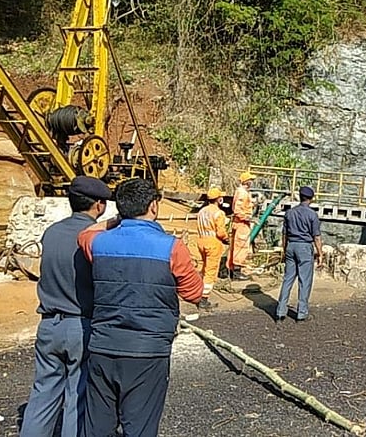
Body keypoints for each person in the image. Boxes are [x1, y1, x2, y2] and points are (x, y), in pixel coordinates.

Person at [77, 178, 203, 437]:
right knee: (140, 427)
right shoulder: (172, 248)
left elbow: (84, 234)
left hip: (103, 346)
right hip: (148, 350)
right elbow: (194, 292)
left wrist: (116, 222)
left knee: (97, 428)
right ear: (154, 206)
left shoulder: (98, 243)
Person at [20, 176, 111, 437]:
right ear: (99, 205)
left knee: (42, 395)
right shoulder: (95, 238)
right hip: (79, 325)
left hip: (48, 324)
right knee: (76, 397)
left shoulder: (52, 232)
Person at [277, 186, 323, 324]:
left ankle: (280, 312)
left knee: (287, 279)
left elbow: (284, 234)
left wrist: (284, 250)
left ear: (299, 196)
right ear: (311, 198)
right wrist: (320, 253)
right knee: (305, 281)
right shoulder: (312, 215)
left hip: (291, 246)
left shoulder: (289, 213)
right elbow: (316, 236)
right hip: (304, 247)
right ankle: (301, 313)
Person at [196, 187, 228, 310]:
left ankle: (198, 291)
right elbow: (220, 232)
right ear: (218, 199)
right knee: (210, 271)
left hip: (201, 241)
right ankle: (203, 299)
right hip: (213, 244)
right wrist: (226, 239)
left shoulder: (202, 211)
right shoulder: (218, 213)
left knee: (204, 268)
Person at [227, 171, 256, 281]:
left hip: (241, 222)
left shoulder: (243, 192)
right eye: (250, 180)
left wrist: (253, 204)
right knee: (241, 247)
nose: (252, 182)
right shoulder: (242, 193)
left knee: (235, 246)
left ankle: (232, 269)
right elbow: (238, 210)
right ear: (246, 182)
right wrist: (249, 218)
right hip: (242, 224)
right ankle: (237, 272)